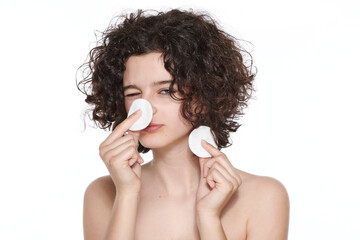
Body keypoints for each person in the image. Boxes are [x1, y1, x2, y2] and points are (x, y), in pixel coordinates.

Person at [77, 9, 289, 240]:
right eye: (133, 93)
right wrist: (127, 194)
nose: (145, 108)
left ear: (203, 95)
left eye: (166, 91)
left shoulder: (264, 197)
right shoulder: (102, 194)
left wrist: (208, 218)